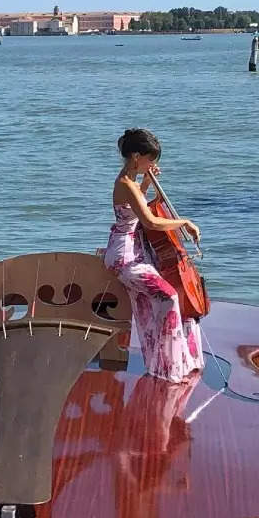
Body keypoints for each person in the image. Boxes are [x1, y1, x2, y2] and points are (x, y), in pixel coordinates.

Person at [104, 128, 205, 383]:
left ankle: (161, 365)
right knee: (169, 296)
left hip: (133, 252)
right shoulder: (125, 184)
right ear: (137, 156)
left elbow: (137, 206)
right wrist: (184, 222)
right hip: (124, 258)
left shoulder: (130, 183)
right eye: (151, 159)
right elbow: (149, 222)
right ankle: (168, 367)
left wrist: (147, 183)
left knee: (151, 306)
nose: (153, 164)